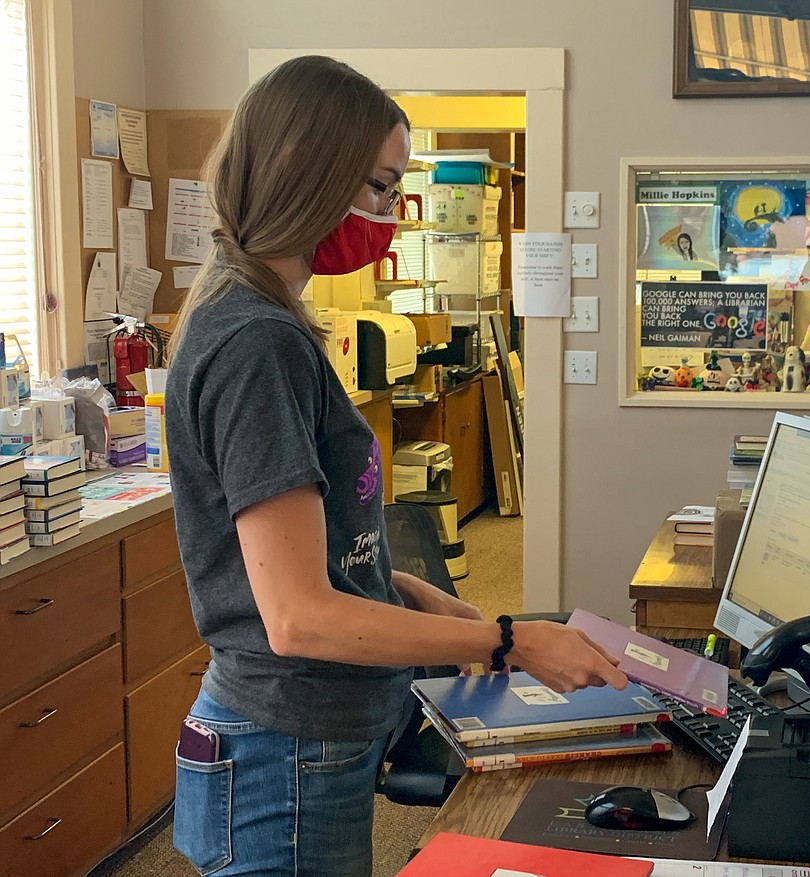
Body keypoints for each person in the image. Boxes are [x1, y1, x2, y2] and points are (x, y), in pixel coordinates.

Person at [165, 55, 627, 877]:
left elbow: (311, 548)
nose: (390, 212)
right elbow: (298, 616)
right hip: (285, 752)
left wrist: (399, 590)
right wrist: (510, 641)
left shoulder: (266, 314)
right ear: (309, 175)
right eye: (380, 187)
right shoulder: (255, 342)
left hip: (309, 737)